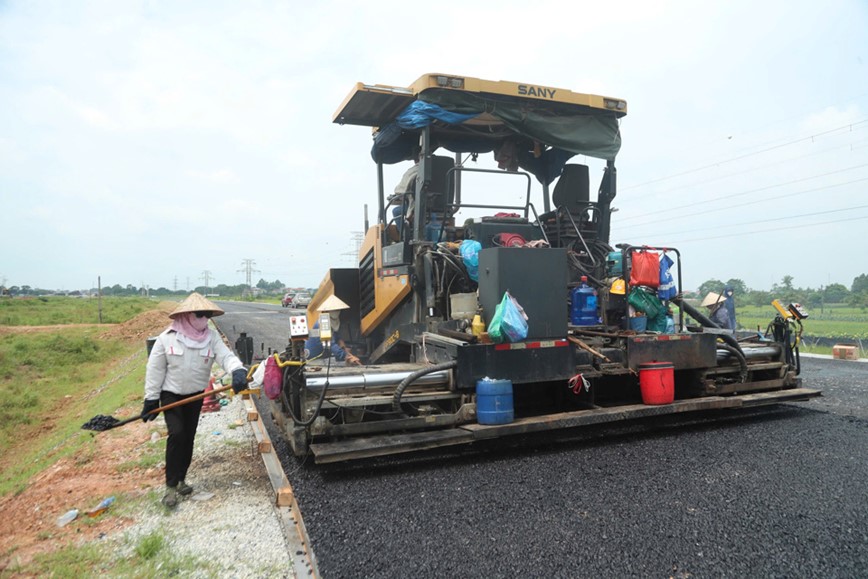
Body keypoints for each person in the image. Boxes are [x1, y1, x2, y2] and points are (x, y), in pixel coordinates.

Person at [142, 292, 248, 508]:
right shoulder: (167, 338)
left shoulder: (210, 337)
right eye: (200, 315)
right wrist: (151, 400)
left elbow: (225, 356)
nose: (204, 320)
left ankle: (181, 479)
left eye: (207, 316)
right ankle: (170, 487)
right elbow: (154, 370)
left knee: (188, 436)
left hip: (196, 395)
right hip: (171, 395)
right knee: (177, 434)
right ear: (188, 315)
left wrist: (237, 370)